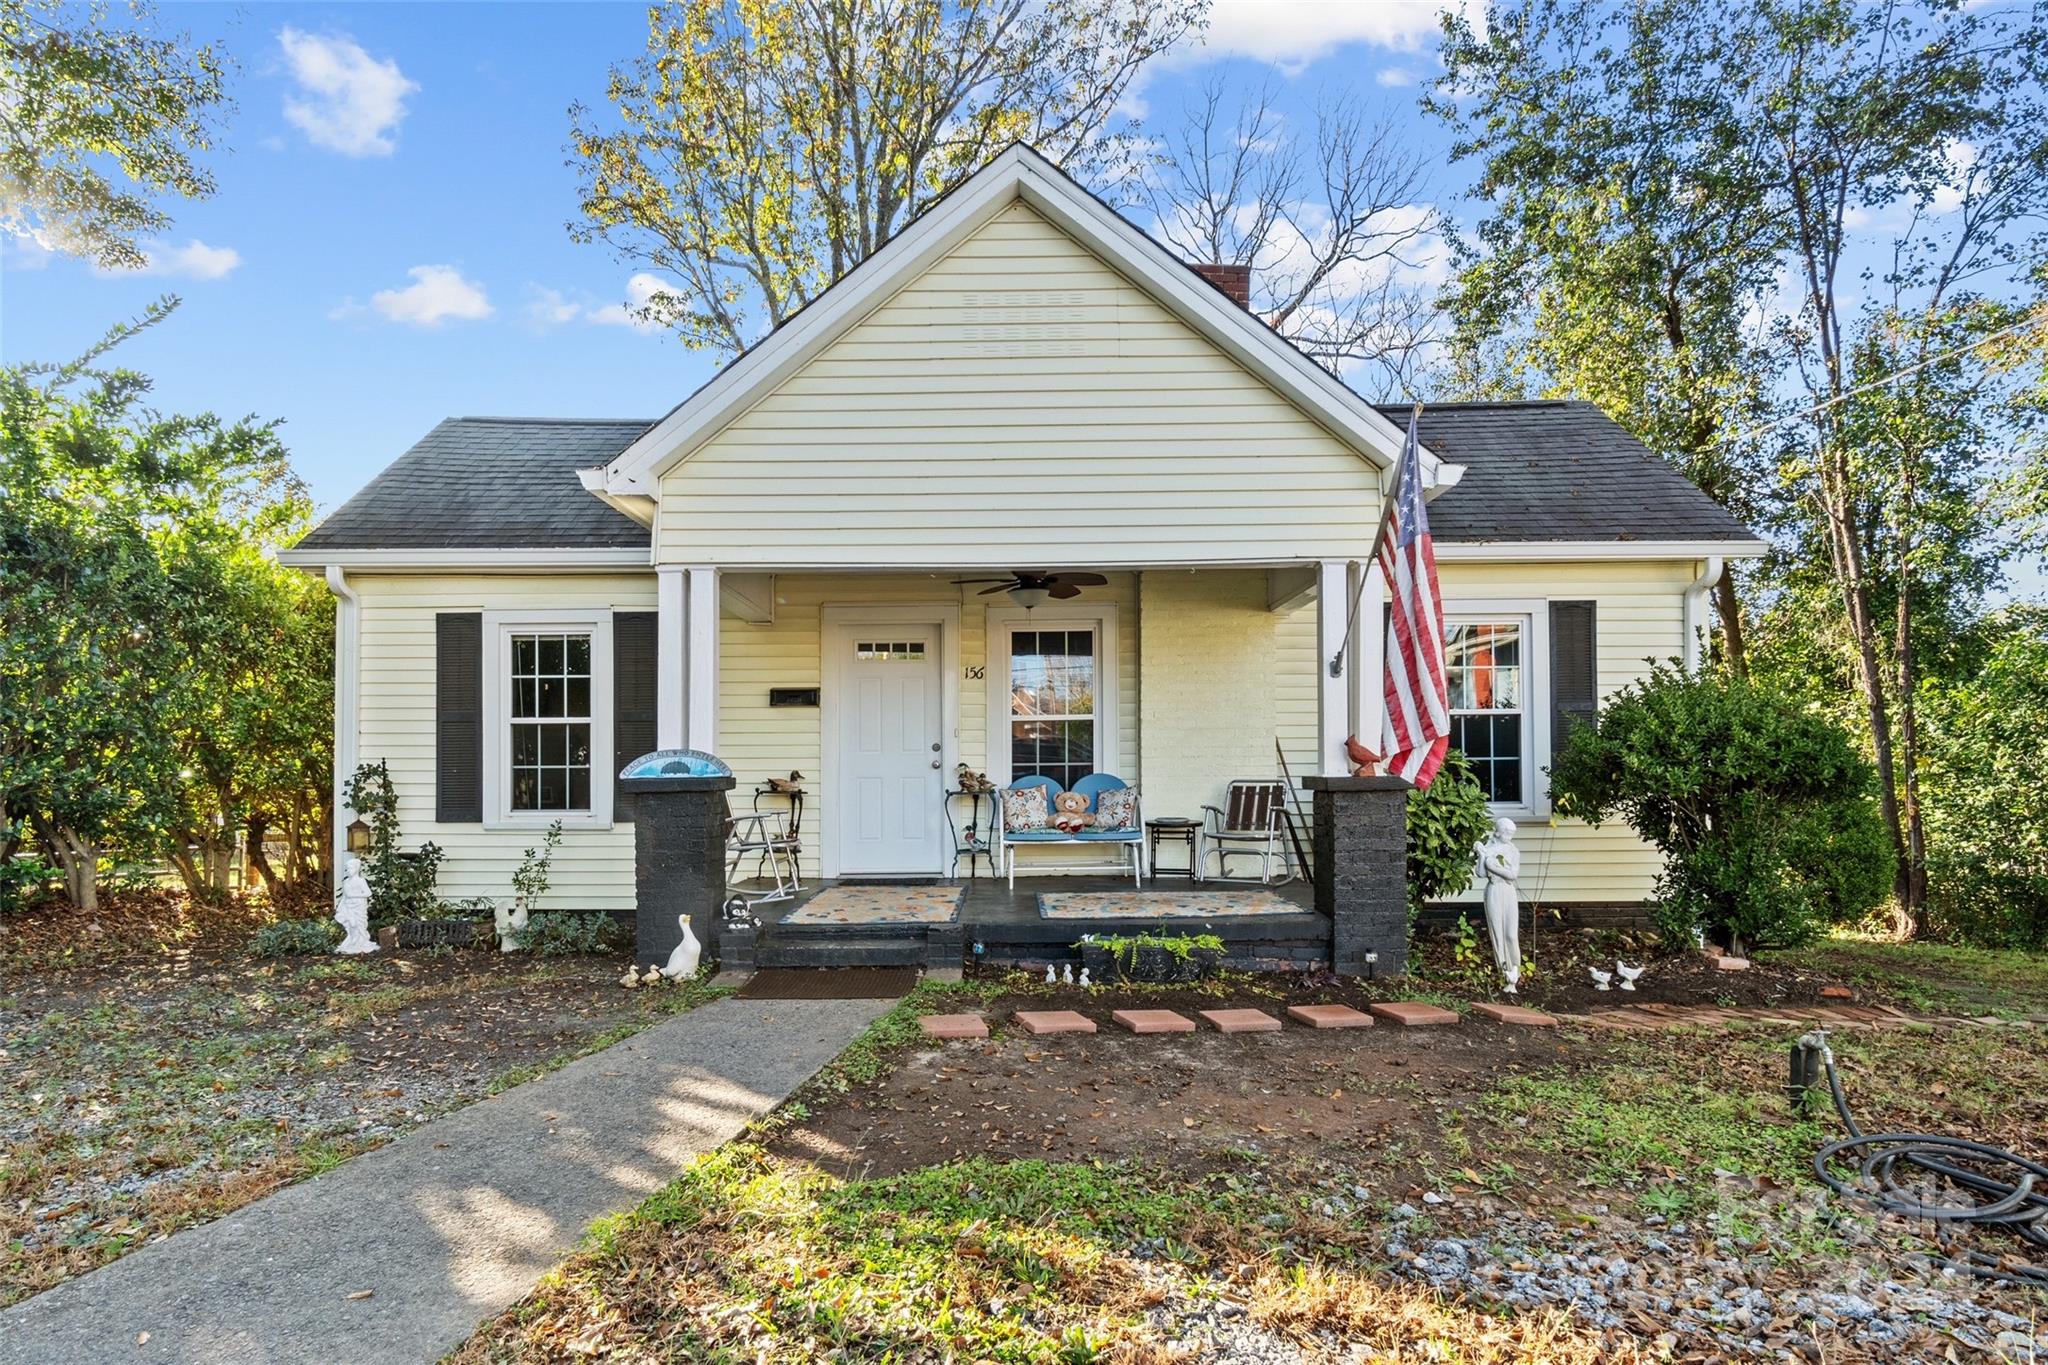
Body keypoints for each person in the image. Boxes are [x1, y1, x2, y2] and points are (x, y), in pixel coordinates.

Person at [1478, 817, 1521, 993]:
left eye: (1512, 834)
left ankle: (1515, 969)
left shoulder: (1513, 851)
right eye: (1508, 833)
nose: (1510, 837)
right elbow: (1481, 873)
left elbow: (1512, 875)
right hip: (1494, 890)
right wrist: (1482, 856)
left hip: (1508, 891)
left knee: (1511, 934)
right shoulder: (1488, 848)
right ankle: (1502, 972)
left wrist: (1492, 865)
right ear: (1499, 831)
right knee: (1497, 933)